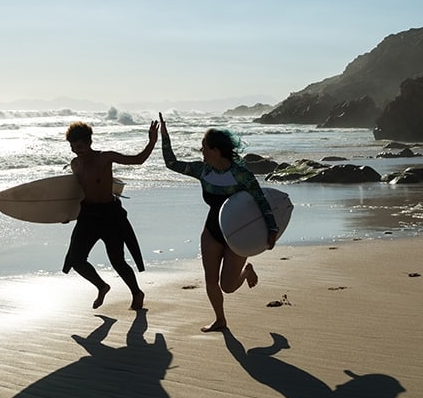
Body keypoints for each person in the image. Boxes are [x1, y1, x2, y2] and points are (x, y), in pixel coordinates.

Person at [158, 113, 278, 331]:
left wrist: (272, 230)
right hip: (212, 231)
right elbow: (171, 163)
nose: (200, 151)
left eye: (204, 147)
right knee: (211, 281)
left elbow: (261, 201)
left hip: (238, 233)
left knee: (228, 286)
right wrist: (164, 137)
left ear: (215, 150)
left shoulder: (241, 174)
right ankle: (220, 319)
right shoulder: (202, 171)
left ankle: (247, 270)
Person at [62, 120, 158, 310]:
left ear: (88, 142)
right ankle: (102, 286)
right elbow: (76, 193)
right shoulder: (75, 164)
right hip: (88, 216)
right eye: (72, 146)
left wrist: (152, 142)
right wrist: (64, 214)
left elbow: (137, 160)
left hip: (110, 216)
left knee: (117, 261)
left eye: (78, 146)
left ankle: (137, 293)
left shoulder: (105, 158)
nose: (75, 150)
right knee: (76, 261)